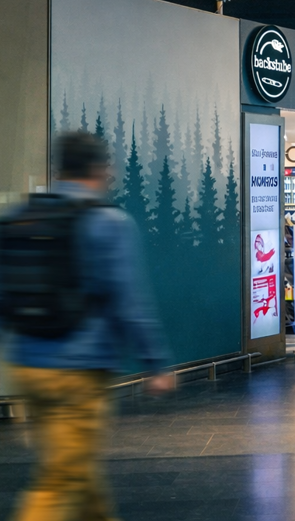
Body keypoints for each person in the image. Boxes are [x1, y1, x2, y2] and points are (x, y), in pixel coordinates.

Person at [0, 132, 173, 521]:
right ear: (100, 169)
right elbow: (128, 300)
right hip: (76, 370)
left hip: (26, 363)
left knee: (76, 465)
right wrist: (156, 363)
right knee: (60, 479)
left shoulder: (18, 217)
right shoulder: (107, 221)